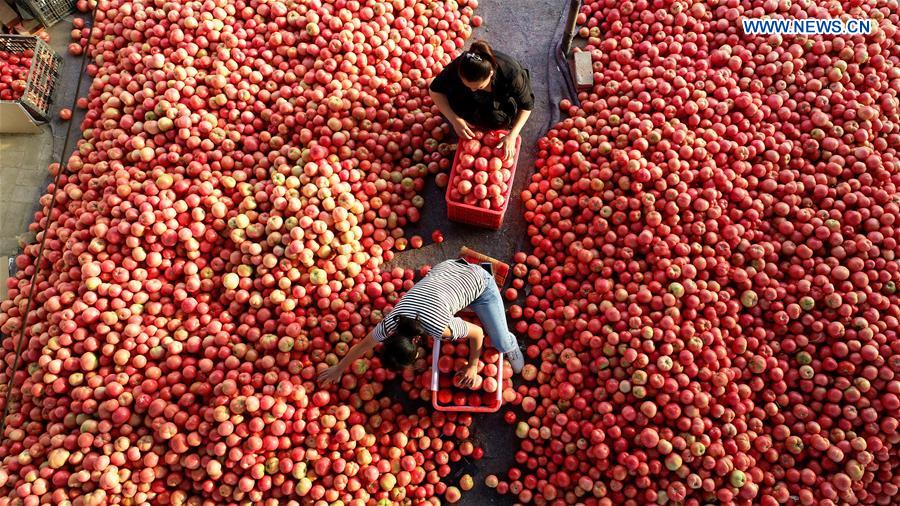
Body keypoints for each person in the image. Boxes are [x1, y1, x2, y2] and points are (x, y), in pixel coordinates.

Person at [318, 258, 524, 387]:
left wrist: (472, 365)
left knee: (500, 343)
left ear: (416, 345)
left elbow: (477, 333)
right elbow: (364, 345)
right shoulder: (392, 321)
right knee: (454, 305)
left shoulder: (439, 328)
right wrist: (340, 367)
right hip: (446, 267)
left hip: (479, 282)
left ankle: (510, 343)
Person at [429, 40, 534, 161]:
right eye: (467, 85)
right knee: (455, 100)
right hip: (471, 99)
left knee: (497, 119)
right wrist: (454, 119)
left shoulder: (512, 74)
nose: (473, 90)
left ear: (491, 73)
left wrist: (512, 135)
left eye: (479, 86)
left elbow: (527, 106)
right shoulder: (462, 65)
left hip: (500, 100)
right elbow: (434, 90)